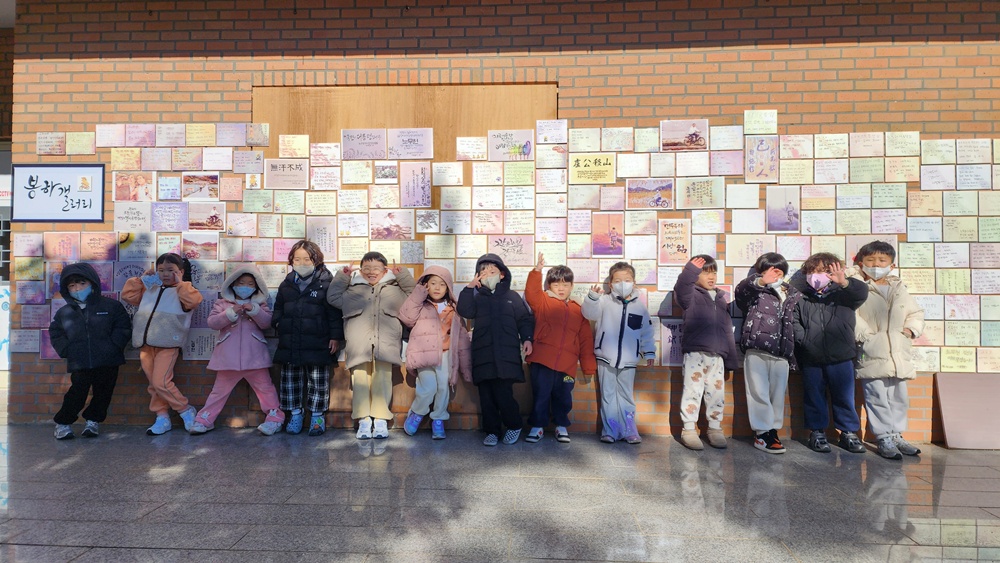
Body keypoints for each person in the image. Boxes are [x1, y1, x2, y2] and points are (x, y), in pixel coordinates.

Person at [327, 252, 415, 440]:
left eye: (376, 268)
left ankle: (381, 420)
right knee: (360, 381)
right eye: (367, 268)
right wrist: (343, 276)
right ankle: (364, 420)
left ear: (385, 270)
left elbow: (413, 295)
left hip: (386, 345)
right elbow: (332, 297)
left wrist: (402, 275)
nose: (371, 272)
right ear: (360, 271)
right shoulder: (351, 290)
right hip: (358, 346)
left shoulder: (395, 290)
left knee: (382, 380)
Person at [190, 266, 285, 436]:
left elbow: (266, 323)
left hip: (255, 358)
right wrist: (229, 313)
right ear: (232, 284)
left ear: (256, 287)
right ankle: (205, 419)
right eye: (241, 283)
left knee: (266, 389)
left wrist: (254, 311)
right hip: (228, 358)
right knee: (218, 392)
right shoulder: (222, 303)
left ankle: (274, 418)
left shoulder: (260, 304)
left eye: (250, 284)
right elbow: (212, 323)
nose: (245, 287)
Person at [852, 241, 925, 460]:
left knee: (899, 397)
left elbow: (915, 313)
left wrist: (910, 331)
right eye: (870, 260)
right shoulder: (857, 287)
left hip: (898, 353)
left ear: (891, 265)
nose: (876, 265)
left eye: (882, 260)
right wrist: (867, 337)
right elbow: (851, 315)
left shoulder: (899, 288)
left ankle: (896, 434)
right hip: (871, 352)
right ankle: (883, 437)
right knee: (876, 396)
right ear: (861, 263)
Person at [791, 252, 869, 454]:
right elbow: (794, 323)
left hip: (841, 356)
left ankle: (848, 433)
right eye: (813, 271)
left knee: (844, 397)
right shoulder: (801, 298)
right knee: (813, 396)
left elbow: (861, 293)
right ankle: (817, 433)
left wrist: (844, 282)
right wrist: (805, 341)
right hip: (811, 357)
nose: (817, 275)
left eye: (824, 271)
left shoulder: (844, 294)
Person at [457, 253, 535, 447]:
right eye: (483, 272)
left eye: (492, 271)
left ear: (502, 274)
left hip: (506, 356)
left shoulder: (512, 297)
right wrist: (469, 288)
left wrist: (527, 338)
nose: (488, 275)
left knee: (503, 394)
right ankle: (492, 431)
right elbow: (464, 310)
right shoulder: (477, 298)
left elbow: (524, 319)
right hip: (483, 355)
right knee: (486, 396)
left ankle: (514, 425)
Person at [121, 253, 203, 435]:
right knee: (154, 384)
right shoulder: (150, 288)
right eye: (161, 270)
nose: (165, 274)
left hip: (168, 343)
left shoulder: (183, 290)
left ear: (180, 271)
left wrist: (181, 283)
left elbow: (194, 301)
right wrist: (141, 279)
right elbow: (128, 296)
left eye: (171, 270)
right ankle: (162, 416)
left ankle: (185, 409)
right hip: (145, 343)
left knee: (161, 382)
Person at [49, 263, 131, 439]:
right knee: (76, 394)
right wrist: (67, 350)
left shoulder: (112, 306)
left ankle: (92, 422)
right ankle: (63, 423)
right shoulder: (64, 312)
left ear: (92, 283)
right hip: (80, 362)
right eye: (72, 285)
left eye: (81, 283)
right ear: (66, 289)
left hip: (108, 361)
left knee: (103, 394)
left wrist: (114, 346)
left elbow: (123, 327)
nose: (77, 288)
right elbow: (56, 333)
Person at [272, 240, 343, 436]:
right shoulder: (286, 284)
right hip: (290, 341)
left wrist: (335, 337)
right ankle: (295, 414)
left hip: (318, 342)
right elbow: (278, 308)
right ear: (291, 261)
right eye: (297, 259)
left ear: (316, 260)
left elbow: (334, 314)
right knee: (290, 381)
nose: (302, 263)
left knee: (318, 381)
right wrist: (278, 323)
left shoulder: (326, 283)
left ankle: (317, 417)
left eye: (307, 259)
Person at [523, 254, 597, 444]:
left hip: (567, 365)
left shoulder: (579, 309)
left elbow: (585, 339)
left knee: (563, 396)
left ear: (572, 286)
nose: (561, 288)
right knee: (541, 394)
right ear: (549, 286)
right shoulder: (543, 301)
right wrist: (537, 271)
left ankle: (561, 425)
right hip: (542, 360)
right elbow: (531, 293)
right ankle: (537, 426)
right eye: (556, 284)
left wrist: (588, 365)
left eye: (565, 284)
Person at [581, 262, 656, 444]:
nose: (623, 284)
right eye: (617, 280)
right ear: (610, 284)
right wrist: (592, 298)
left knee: (626, 395)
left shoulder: (640, 307)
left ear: (634, 282)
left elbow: (646, 331)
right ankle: (610, 430)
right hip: (605, 357)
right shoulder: (604, 301)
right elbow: (589, 314)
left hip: (629, 360)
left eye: (627, 280)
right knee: (608, 395)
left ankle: (629, 430)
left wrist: (649, 352)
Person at [735, 253, 802, 454]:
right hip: (757, 347)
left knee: (777, 394)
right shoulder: (755, 290)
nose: (774, 273)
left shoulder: (793, 294)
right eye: (769, 269)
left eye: (778, 269)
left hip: (782, 351)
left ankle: (773, 431)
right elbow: (741, 292)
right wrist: (760, 281)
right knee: (758, 392)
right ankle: (762, 433)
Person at [397, 265, 472, 439]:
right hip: (424, 355)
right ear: (425, 285)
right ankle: (417, 413)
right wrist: (418, 294)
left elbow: (461, 338)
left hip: (446, 355)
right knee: (428, 387)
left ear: (448, 288)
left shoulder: (453, 309)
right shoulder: (420, 305)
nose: (437, 287)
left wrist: (466, 368)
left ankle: (438, 418)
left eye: (442, 284)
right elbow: (406, 318)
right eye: (433, 283)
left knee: (443, 388)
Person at [673, 255, 739, 450]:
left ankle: (714, 429)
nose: (711, 277)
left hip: (717, 356)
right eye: (705, 272)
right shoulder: (690, 295)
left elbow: (727, 330)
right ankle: (688, 430)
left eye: (714, 272)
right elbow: (681, 288)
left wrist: (731, 359)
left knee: (716, 394)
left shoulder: (720, 299)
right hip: (695, 353)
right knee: (692, 391)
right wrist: (690, 271)